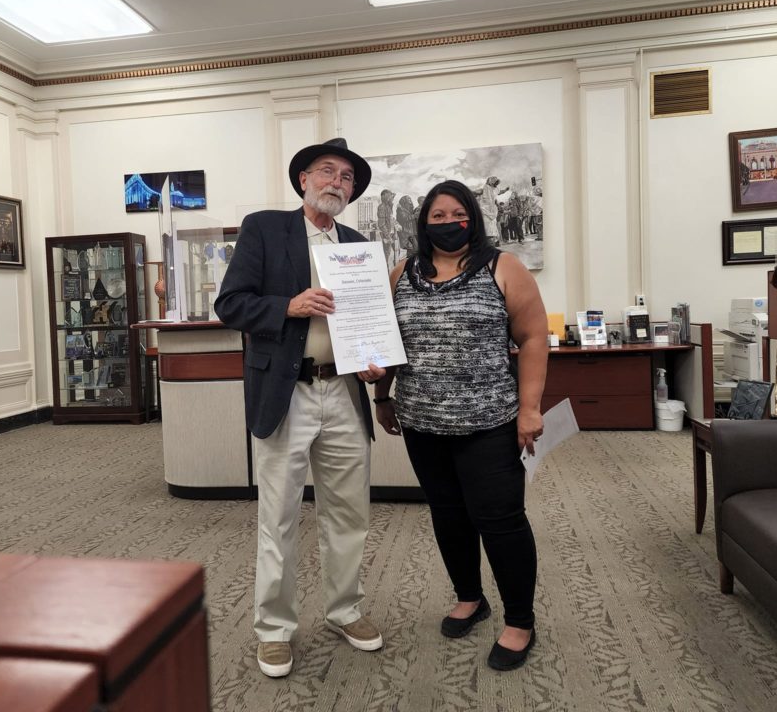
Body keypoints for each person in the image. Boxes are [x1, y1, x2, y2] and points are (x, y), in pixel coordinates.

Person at [214, 138, 383, 679]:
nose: (338, 182)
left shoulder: (358, 245)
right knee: (280, 516)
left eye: (347, 177)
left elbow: (370, 324)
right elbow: (230, 303)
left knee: (349, 513)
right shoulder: (265, 228)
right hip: (286, 394)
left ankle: (344, 611)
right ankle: (274, 630)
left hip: (343, 392)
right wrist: (287, 306)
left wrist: (377, 361)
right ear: (303, 180)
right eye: (327, 172)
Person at [368, 178, 548, 672]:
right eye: (438, 216)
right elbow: (386, 342)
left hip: (489, 422)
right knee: (447, 514)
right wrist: (382, 396)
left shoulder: (502, 267)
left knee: (501, 520)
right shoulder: (402, 272)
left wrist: (530, 409)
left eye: (458, 214)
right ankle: (470, 597)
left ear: (474, 216)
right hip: (422, 422)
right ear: (423, 223)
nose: (449, 223)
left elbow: (534, 339)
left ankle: (520, 620)